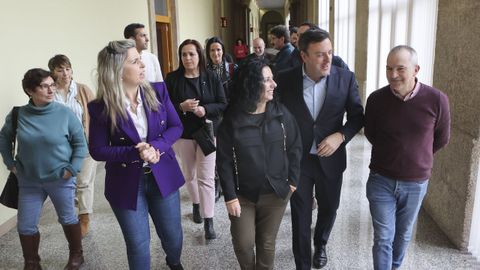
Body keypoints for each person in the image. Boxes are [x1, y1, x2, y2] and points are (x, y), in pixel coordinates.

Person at [88, 39, 185, 270]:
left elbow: (176, 126)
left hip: (163, 174)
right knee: (138, 245)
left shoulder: (158, 91)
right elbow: (97, 150)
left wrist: (155, 147)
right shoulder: (100, 107)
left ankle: (174, 262)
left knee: (173, 238)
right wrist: (135, 151)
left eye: (140, 60)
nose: (142, 65)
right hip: (125, 182)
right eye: (135, 61)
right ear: (117, 71)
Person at [276, 29, 364, 270]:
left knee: (329, 208)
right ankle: (302, 265)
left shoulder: (344, 78)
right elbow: (273, 115)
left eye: (330, 52)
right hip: (298, 161)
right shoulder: (284, 79)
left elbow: (357, 117)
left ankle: (321, 243)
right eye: (320, 55)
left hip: (331, 159)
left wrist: (341, 136)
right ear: (303, 55)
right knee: (300, 217)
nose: (328, 60)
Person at [364, 45, 450, 270]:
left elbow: (441, 138)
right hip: (381, 179)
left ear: (416, 69)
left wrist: (417, 157)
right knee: (383, 236)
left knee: (402, 235)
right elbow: (371, 134)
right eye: (389, 68)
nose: (393, 75)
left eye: (400, 68)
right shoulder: (375, 100)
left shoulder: (437, 100)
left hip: (415, 183)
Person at [216, 58, 302, 269]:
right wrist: (229, 196)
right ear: (252, 83)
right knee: (244, 243)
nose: (274, 84)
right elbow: (224, 161)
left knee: (266, 243)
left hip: (276, 193)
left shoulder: (281, 114)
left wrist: (293, 181)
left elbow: (295, 147)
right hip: (242, 195)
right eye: (267, 80)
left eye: (273, 79)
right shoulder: (232, 120)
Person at [0, 68, 88, 270]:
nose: (51, 90)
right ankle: (31, 262)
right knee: (25, 225)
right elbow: (4, 139)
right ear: (30, 91)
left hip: (61, 178)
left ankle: (77, 255)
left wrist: (72, 169)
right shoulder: (18, 114)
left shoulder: (64, 113)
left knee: (67, 218)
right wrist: (10, 164)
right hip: (29, 180)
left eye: (52, 85)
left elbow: (80, 143)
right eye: (44, 86)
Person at [165, 39, 227, 240]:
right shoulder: (173, 79)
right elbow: (163, 107)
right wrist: (181, 107)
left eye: (191, 54)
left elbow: (222, 103)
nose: (187, 58)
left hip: (207, 133)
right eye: (184, 54)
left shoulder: (211, 77)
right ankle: (196, 204)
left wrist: (205, 110)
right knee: (189, 175)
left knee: (206, 178)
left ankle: (209, 221)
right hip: (183, 134)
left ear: (199, 55)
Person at [48, 54, 97, 237]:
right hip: (59, 149)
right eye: (60, 69)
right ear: (52, 72)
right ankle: (71, 214)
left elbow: (98, 116)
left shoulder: (83, 90)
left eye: (67, 69)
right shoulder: (50, 93)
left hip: (83, 145)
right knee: (67, 183)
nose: (65, 73)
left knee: (84, 182)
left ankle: (84, 218)